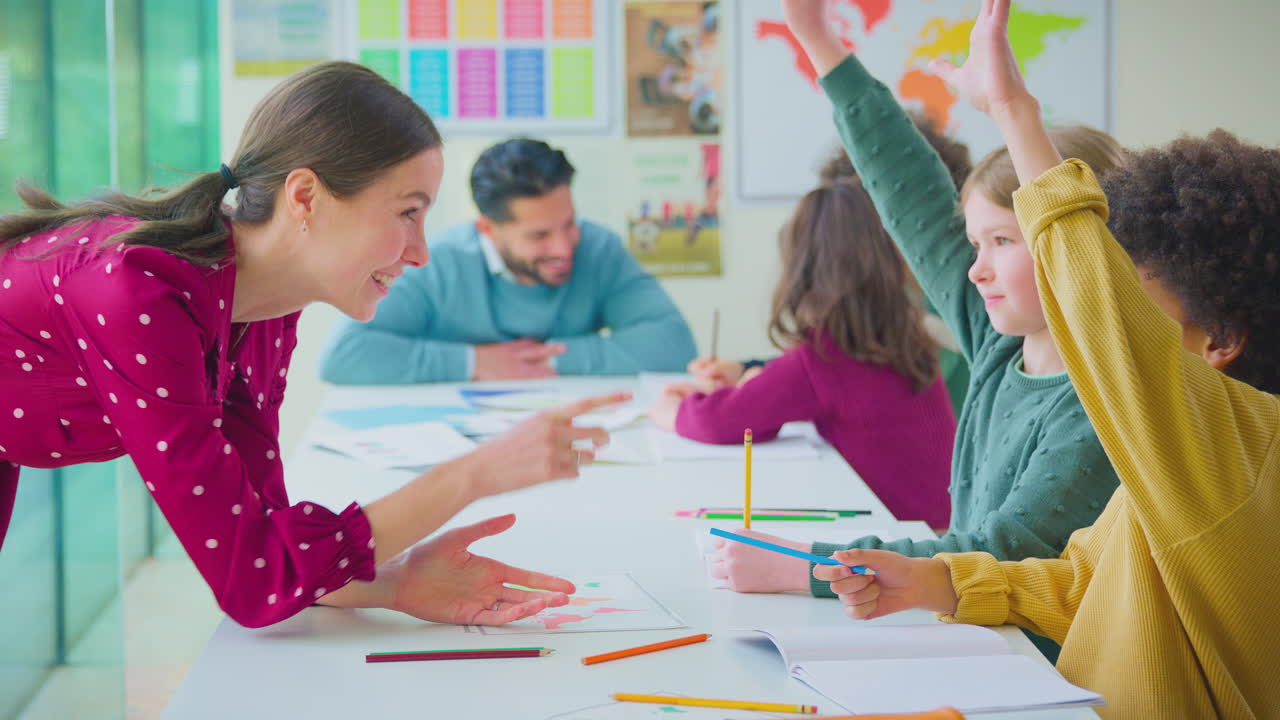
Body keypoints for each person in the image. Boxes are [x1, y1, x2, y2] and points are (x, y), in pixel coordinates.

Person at [0, 61, 628, 629]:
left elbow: (264, 541)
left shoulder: (265, 311)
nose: (421, 252)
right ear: (305, 198)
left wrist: (396, 581)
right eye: (408, 212)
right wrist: (473, 474)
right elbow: (252, 582)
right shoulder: (138, 295)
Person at [802, 0, 1280, 715]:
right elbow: (1088, 584)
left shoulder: (1217, 450)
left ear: (1219, 342)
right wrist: (944, 583)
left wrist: (1014, 111)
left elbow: (1091, 293)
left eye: (1125, 317)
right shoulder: (1180, 462)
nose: (1094, 326)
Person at [709, 0, 1128, 663]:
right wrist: (817, 39)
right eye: (974, 242)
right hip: (981, 645)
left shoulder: (1103, 393)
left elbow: (1002, 549)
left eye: (1001, 242)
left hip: (1055, 678)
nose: (978, 269)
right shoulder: (1001, 340)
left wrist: (806, 568)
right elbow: (906, 187)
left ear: (1078, 243)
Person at [649, 179, 956, 528]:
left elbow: (723, 422)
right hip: (945, 524)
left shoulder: (824, 358)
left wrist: (671, 411)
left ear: (804, 267)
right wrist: (742, 382)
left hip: (905, 542)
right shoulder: (905, 338)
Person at [317, 138, 697, 384]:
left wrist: (547, 361)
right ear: (488, 229)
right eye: (539, 235)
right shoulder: (438, 263)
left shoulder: (598, 250)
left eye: (568, 223)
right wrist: (475, 362)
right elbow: (345, 357)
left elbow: (675, 346)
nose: (565, 248)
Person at [689, 114, 973, 416]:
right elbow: (843, 358)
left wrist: (763, 387)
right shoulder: (887, 287)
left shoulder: (945, 289)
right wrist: (748, 370)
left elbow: (866, 377)